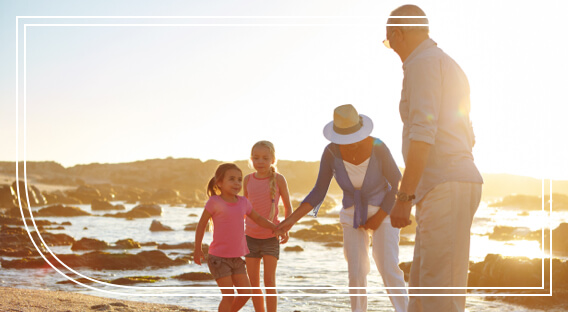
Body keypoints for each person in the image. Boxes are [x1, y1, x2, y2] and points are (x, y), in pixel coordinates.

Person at [384, 5, 483, 312]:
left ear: (398, 34)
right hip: (449, 181)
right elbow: (469, 133)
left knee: (438, 295)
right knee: (425, 290)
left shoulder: (422, 64)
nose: (392, 50)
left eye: (388, 42)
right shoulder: (447, 64)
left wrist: (404, 196)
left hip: (445, 183)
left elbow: (422, 134)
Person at [276, 104, 408, 312]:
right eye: (345, 140)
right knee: (356, 271)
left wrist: (379, 216)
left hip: (385, 211)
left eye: (354, 138)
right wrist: (289, 222)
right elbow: (319, 191)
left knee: (387, 267)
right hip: (351, 215)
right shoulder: (330, 152)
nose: (351, 144)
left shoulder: (378, 146)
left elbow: (397, 183)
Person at [194, 163, 277, 312]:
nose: (237, 183)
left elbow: (258, 219)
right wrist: (197, 249)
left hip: (237, 259)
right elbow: (201, 225)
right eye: (231, 179)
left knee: (246, 293)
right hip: (218, 259)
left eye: (239, 179)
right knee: (228, 296)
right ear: (219, 182)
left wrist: (275, 228)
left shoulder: (243, 202)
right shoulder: (214, 202)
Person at [244, 141, 292, 312]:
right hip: (249, 237)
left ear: (273, 159)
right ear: (251, 159)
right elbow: (244, 208)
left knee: (270, 282)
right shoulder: (247, 179)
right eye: (256, 158)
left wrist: (286, 228)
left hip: (271, 237)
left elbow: (288, 206)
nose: (260, 161)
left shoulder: (278, 179)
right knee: (253, 283)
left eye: (265, 158)